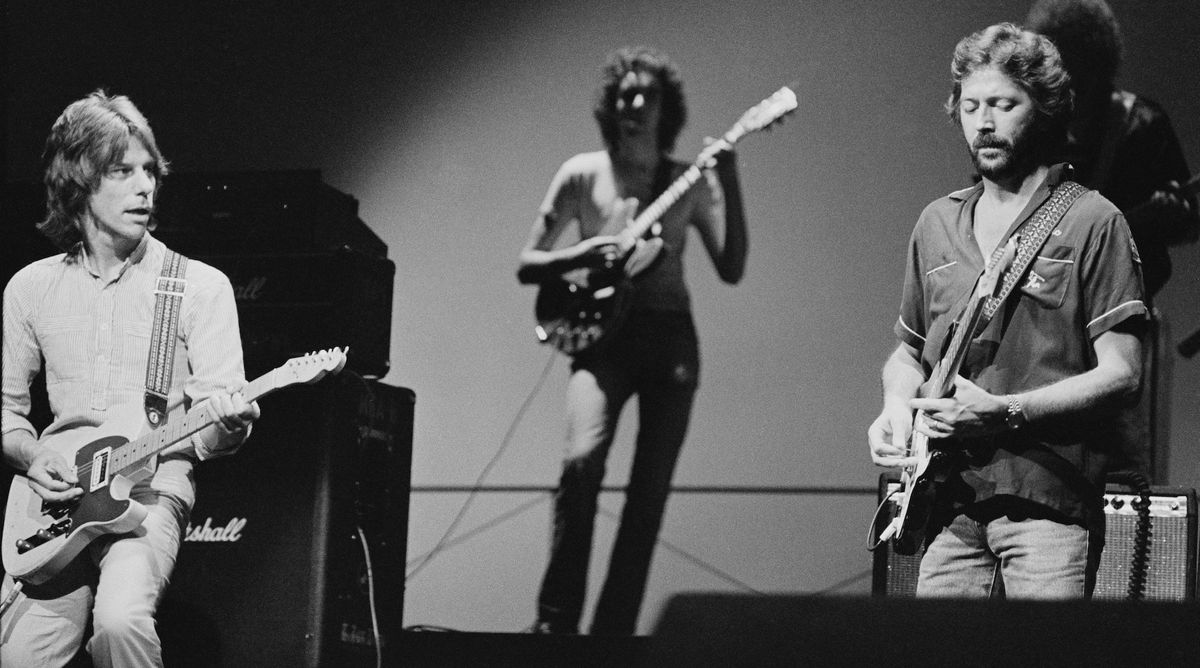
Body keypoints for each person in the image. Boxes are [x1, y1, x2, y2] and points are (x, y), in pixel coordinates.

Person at [867, 24, 1145, 598]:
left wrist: (1007, 411)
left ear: (1042, 110)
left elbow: (1123, 373)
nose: (983, 122)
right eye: (970, 106)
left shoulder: (1093, 220)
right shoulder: (937, 223)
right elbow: (908, 351)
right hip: (947, 499)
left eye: (1002, 104)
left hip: (1047, 501)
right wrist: (895, 406)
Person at [1, 91, 260, 667]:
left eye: (150, 170)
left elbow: (210, 438)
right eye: (123, 171)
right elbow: (7, 414)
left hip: (152, 489)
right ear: (79, 184)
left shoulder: (197, 287)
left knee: (119, 623)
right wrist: (29, 454)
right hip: (57, 506)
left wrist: (232, 424)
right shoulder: (30, 289)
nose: (145, 186)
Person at [517, 46, 747, 634]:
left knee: (648, 494)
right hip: (601, 341)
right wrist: (583, 254)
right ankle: (555, 625)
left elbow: (731, 266)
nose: (634, 104)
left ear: (666, 108)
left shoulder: (687, 181)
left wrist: (731, 182)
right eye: (624, 95)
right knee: (580, 464)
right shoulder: (580, 173)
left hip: (670, 339)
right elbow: (528, 262)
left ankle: (612, 635)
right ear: (610, 106)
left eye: (647, 95)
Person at [1025, 0, 1199, 481]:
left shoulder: (1141, 123)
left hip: (1120, 316)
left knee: (1119, 470)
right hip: (1045, 325)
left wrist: (1170, 214)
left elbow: (1188, 224)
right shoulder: (1035, 127)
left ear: (1096, 60)